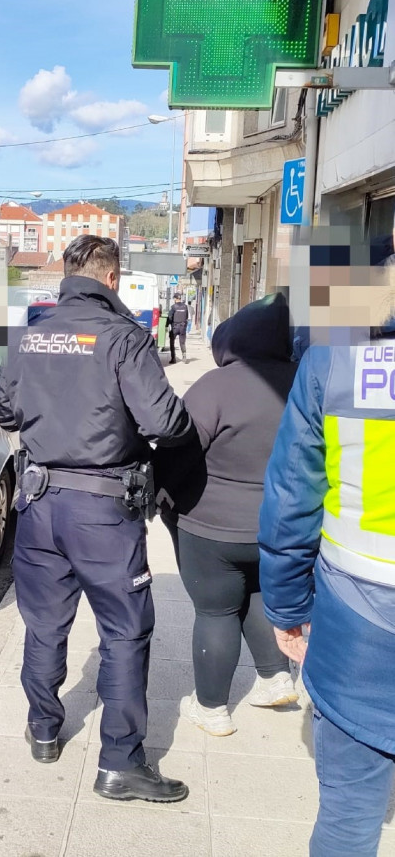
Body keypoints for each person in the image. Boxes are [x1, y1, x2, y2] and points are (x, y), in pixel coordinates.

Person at [0, 235, 193, 802]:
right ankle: (121, 762)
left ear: (66, 275)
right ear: (112, 278)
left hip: (37, 504)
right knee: (126, 632)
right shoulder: (122, 338)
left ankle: (43, 729)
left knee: (44, 624)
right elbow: (166, 422)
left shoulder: (30, 335)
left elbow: (6, 408)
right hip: (103, 512)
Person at [259, 281, 395, 856]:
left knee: (348, 820)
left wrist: (288, 609)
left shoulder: (337, 364)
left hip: (360, 629)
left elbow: (292, 497)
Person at [154, 294, 297, 738]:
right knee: (255, 593)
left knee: (216, 610)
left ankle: (211, 707)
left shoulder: (217, 386)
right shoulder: (304, 382)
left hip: (211, 523)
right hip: (278, 526)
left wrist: (162, 496)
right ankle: (275, 676)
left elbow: (180, 449)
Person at [167, 292, 189, 363]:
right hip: (183, 327)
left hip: (175, 327)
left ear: (175, 299)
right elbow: (186, 316)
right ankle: (184, 357)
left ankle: (173, 358)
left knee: (172, 342)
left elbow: (170, 317)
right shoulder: (185, 306)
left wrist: (167, 324)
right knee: (182, 343)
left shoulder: (173, 307)